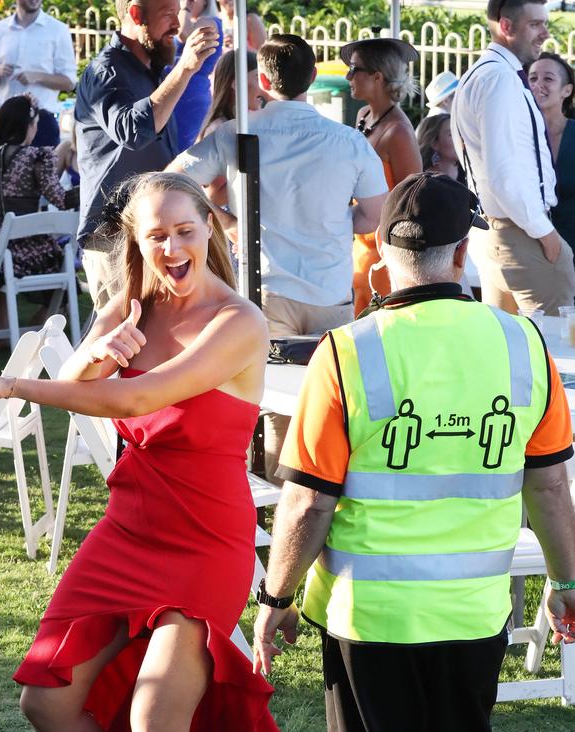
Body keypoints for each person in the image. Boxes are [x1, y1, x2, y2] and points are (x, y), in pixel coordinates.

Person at [252, 172, 575, 732]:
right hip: (474, 609)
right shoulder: (522, 346)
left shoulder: (348, 352)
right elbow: (549, 489)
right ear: (462, 252)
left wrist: (277, 600)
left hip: (374, 614)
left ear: (381, 260)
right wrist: (569, 585)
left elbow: (306, 501)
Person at [0, 171, 288, 732]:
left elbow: (137, 397)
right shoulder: (128, 305)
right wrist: (102, 346)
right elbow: (90, 386)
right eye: (155, 235)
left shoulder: (238, 322)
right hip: (128, 528)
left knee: (159, 729)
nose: (171, 247)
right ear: (136, 243)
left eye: (184, 229)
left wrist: (16, 385)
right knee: (45, 703)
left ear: (212, 227)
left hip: (205, 542)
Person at [171, 33, 388, 481]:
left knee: (276, 412)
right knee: (335, 407)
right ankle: (323, 504)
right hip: (329, 290)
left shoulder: (237, 133)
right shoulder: (347, 141)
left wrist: (225, 220)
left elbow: (173, 181)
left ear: (263, 81)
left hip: (264, 287)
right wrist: (331, 220)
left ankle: (280, 507)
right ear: (312, 76)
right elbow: (373, 216)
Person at [75, 0, 220, 311]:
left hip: (151, 234)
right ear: (136, 14)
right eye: (167, 13)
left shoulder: (150, 70)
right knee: (121, 345)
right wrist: (185, 68)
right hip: (115, 238)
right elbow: (133, 131)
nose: (177, 25)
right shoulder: (106, 71)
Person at [451, 0, 575, 316]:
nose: (545, 34)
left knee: (507, 352)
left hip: (496, 232)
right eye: (535, 24)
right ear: (506, 27)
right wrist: (547, 236)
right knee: (559, 353)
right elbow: (503, 175)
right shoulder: (500, 79)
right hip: (520, 234)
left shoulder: (481, 74)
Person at [0, 95, 78, 304]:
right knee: (64, 278)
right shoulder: (36, 157)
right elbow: (62, 200)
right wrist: (90, 189)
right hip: (29, 251)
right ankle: (37, 329)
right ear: (28, 126)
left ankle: (4, 328)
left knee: (0, 268)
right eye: (35, 125)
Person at [340, 38, 423, 316]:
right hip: (360, 244)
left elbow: (414, 201)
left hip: (385, 253)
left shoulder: (398, 132)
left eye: (354, 69)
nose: (348, 76)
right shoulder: (365, 115)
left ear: (377, 77)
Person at [0, 0, 77, 148]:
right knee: (1, 170)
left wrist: (38, 77)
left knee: (42, 171)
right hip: (5, 119)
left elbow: (69, 82)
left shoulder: (58, 30)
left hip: (41, 122)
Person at [197, 50, 266, 208]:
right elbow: (213, 195)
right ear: (236, 84)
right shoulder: (220, 128)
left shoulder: (239, 123)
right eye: (258, 77)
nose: (264, 87)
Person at [529, 52, 575, 260]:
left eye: (548, 78)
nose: (538, 84)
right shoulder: (520, 137)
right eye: (532, 78)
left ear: (567, 90)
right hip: (530, 252)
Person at [173, 0, 223, 152]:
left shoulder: (210, 22)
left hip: (190, 94)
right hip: (172, 90)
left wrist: (185, 8)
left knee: (184, 151)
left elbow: (183, 34)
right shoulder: (183, 20)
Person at [416, 113, 464, 182]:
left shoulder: (470, 173)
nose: (460, 138)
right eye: (451, 134)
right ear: (434, 143)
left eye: (459, 133)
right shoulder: (424, 181)